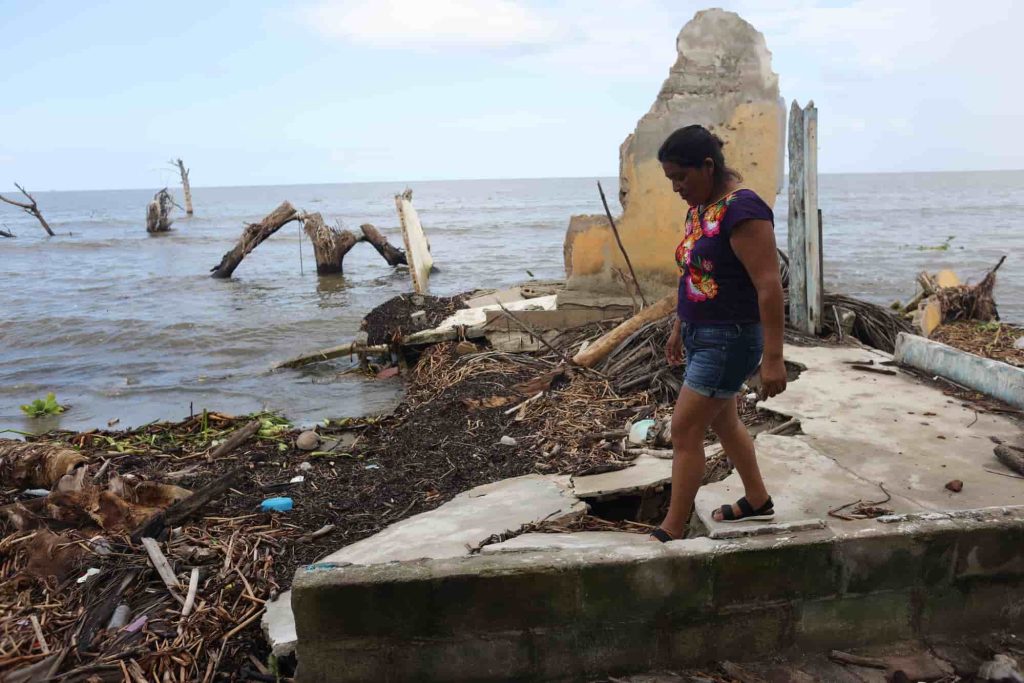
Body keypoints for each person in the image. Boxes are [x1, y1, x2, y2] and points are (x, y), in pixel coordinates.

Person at [649, 124, 787, 542]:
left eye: (681, 177)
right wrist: (679, 326)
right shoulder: (700, 206)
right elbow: (694, 273)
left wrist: (774, 358)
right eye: (670, 179)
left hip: (730, 339)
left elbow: (768, 285)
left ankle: (672, 528)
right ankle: (757, 500)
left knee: (684, 430)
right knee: (724, 423)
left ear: (708, 166)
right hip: (700, 332)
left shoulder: (744, 211)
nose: (676, 187)